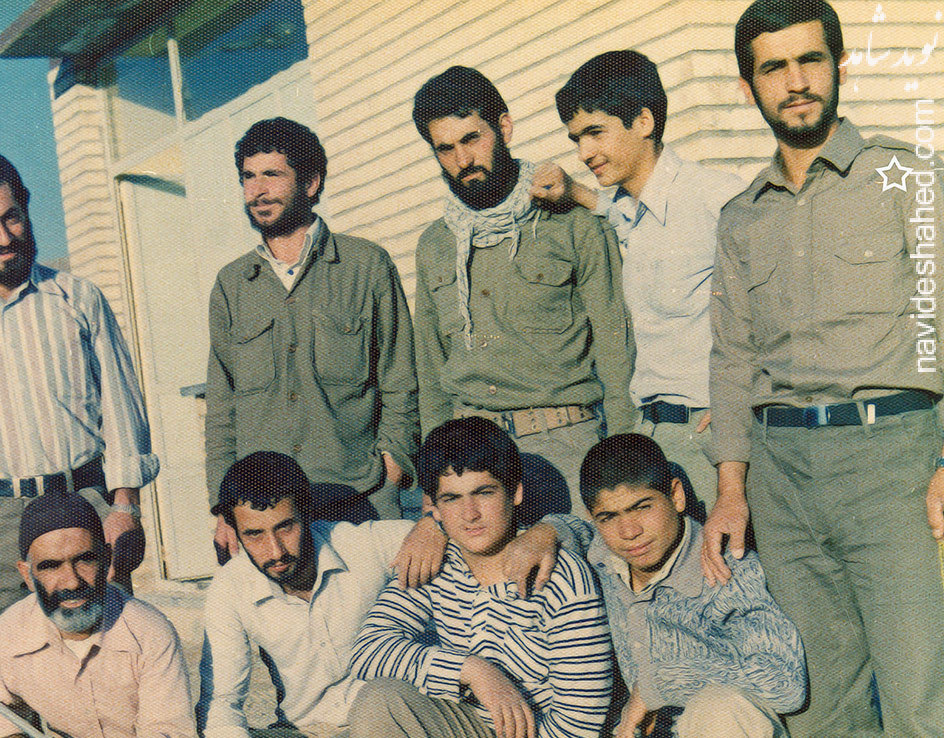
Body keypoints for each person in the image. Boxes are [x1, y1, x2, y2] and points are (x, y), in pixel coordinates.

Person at [705, 1, 944, 735]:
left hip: (893, 466)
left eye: (810, 60)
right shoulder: (741, 216)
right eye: (773, 68)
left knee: (922, 697)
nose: (796, 82)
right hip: (782, 478)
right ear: (749, 87)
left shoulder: (908, 178)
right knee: (822, 710)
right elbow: (732, 357)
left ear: (840, 66)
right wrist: (731, 491)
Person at [0, 147, 159, 679]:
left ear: (27, 208)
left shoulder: (79, 300)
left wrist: (125, 508)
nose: (3, 237)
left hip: (82, 508)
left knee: (108, 670)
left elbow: (122, 408)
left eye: (11, 217)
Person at [198, 450, 562, 738]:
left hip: (390, 721)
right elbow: (222, 703)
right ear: (233, 531)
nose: (275, 550)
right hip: (302, 730)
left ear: (306, 513)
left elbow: (475, 531)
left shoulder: (362, 544)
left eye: (286, 527)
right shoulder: (230, 589)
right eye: (254, 535)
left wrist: (550, 530)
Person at [410, 66, 634, 518]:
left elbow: (617, 352)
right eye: (445, 149)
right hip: (469, 464)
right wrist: (434, 476)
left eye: (472, 139)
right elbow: (431, 374)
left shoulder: (569, 222)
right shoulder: (435, 245)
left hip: (567, 447)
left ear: (504, 127)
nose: (462, 159)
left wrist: (624, 457)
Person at [542, 51, 746, 517]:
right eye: (576, 139)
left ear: (644, 121)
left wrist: (743, 406)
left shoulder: (717, 197)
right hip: (652, 435)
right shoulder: (627, 211)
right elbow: (618, 213)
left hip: (712, 437)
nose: (583, 153)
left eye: (596, 132)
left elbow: (778, 308)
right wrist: (575, 193)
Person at [206, 117, 419, 558]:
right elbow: (222, 407)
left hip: (358, 497)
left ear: (310, 182)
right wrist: (223, 504)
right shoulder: (232, 284)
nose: (257, 190)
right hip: (265, 515)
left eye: (272, 174)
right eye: (248, 177)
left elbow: (401, 379)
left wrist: (393, 467)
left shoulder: (366, 266)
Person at [348, 417, 614, 738]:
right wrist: (472, 670)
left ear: (515, 492)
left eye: (484, 493)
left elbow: (580, 724)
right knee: (380, 701)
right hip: (469, 722)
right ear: (434, 507)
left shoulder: (558, 576)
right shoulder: (437, 561)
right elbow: (367, 650)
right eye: (452, 498)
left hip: (541, 734)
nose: (470, 514)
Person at [556, 433, 804, 738]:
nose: (629, 531)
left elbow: (786, 684)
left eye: (642, 507)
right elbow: (579, 532)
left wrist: (657, 684)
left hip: (714, 729)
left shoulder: (725, 568)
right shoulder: (603, 559)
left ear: (676, 496)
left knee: (720, 708)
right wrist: (549, 530)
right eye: (608, 517)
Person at [0, 494, 194, 738]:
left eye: (85, 560)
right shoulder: (10, 631)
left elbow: (167, 728)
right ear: (27, 575)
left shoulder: (148, 631)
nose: (72, 582)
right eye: (50, 566)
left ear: (106, 559)